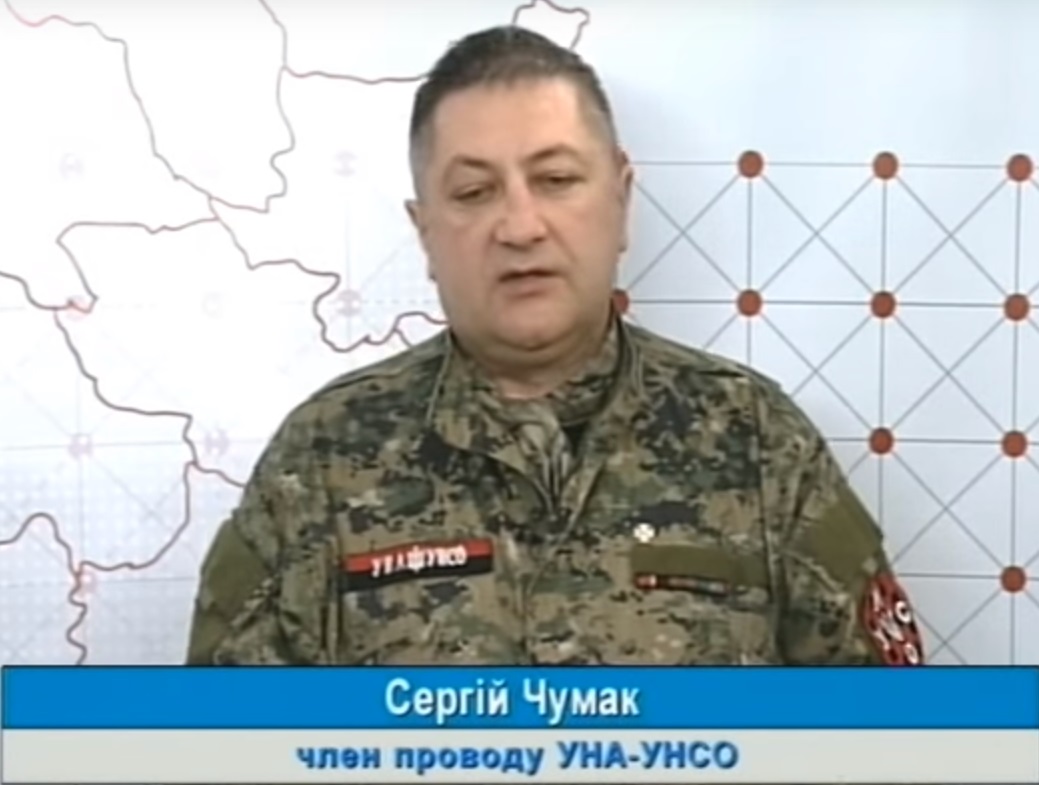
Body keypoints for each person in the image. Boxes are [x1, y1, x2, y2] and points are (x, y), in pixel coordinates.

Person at [185, 25, 924, 668]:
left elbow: (890, 735)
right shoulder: (321, 461)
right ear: (424, 231)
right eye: (474, 192)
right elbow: (225, 745)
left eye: (556, 179)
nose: (520, 226)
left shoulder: (758, 442)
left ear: (620, 199)